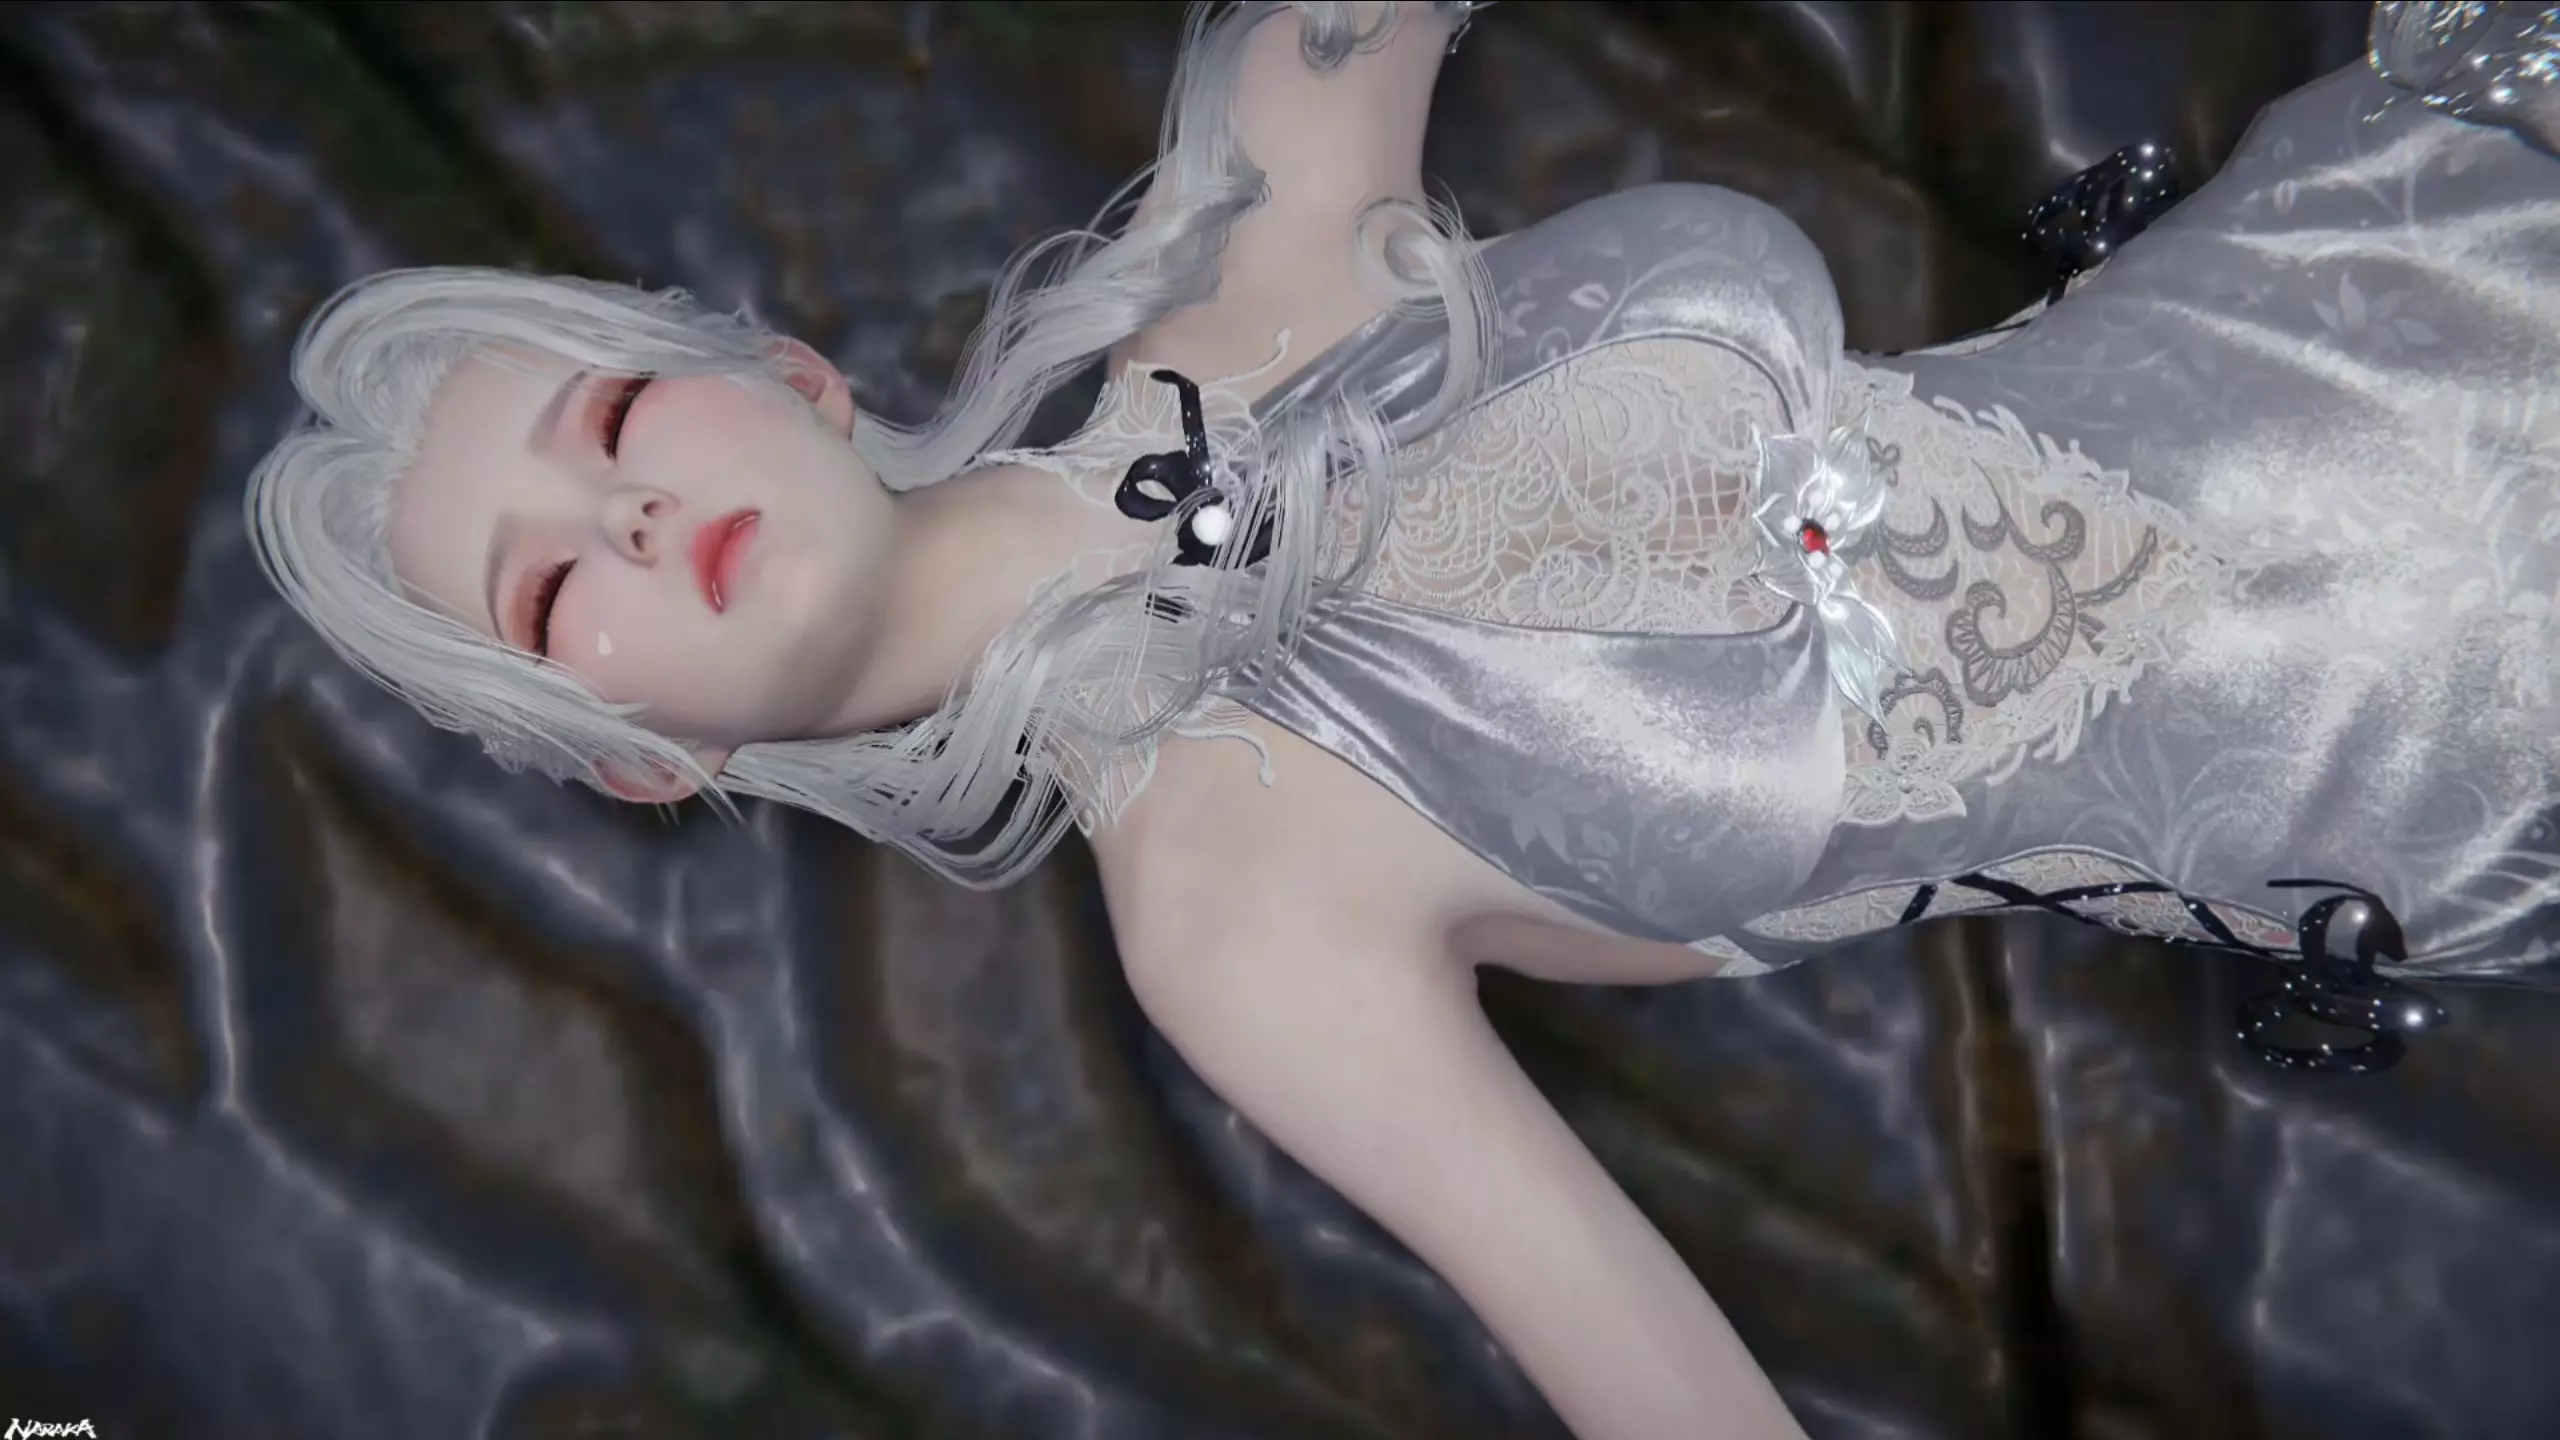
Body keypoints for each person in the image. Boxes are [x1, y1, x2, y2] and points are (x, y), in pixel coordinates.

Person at [241, 2, 2560, 1435]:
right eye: (550, 585)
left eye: (610, 417)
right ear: (644, 764)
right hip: (2459, 738)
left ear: (782, 374)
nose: (630, 510)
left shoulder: (1251, 251)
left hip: (2409, 261)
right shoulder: (1230, 932)